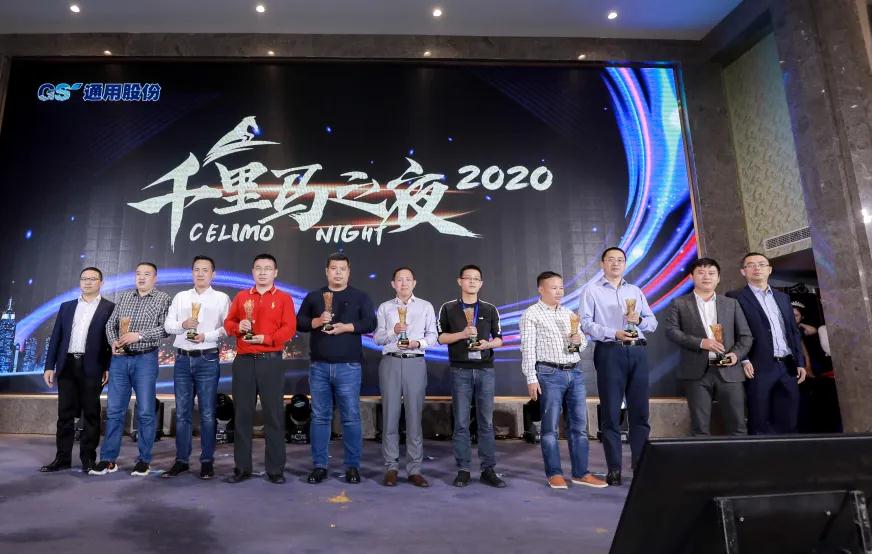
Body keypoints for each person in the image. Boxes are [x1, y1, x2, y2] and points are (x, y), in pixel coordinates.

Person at [519, 271, 607, 490]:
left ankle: (581, 473)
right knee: (550, 428)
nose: (559, 292)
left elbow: (583, 343)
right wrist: (531, 377)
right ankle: (554, 473)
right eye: (554, 287)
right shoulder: (531, 314)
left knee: (579, 426)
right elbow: (527, 348)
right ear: (541, 289)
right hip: (549, 374)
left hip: (575, 372)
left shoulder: (568, 313)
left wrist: (577, 341)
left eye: (561, 287)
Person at [296, 253, 376, 485]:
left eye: (342, 268)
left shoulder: (360, 296)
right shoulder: (314, 296)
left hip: (349, 366)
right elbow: (300, 322)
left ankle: (352, 467)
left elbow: (371, 323)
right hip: (319, 366)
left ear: (349, 272)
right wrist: (317, 321)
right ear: (327, 271)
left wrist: (347, 327)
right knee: (320, 417)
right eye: (334, 268)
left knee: (350, 417)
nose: (338, 272)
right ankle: (319, 466)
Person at [580, 247, 657, 486]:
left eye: (620, 260)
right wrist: (614, 333)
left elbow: (652, 323)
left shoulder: (635, 290)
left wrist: (639, 320)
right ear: (602, 264)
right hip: (610, 352)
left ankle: (641, 467)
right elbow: (586, 324)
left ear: (625, 264)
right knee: (611, 414)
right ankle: (614, 468)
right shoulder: (591, 290)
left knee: (640, 413)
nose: (616, 263)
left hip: (638, 352)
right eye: (611, 260)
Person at [91, 263, 171, 477]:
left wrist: (139, 336)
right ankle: (108, 459)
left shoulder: (163, 298)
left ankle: (144, 460)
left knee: (145, 411)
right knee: (114, 411)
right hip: (119, 360)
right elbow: (110, 325)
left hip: (145, 359)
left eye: (147, 274)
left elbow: (166, 329)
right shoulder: (125, 297)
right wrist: (113, 342)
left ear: (155, 278)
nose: (141, 277)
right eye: (138, 274)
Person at [223, 253, 296, 484]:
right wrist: (239, 326)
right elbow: (228, 323)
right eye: (258, 268)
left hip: (271, 361)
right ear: (252, 272)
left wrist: (266, 338)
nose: (262, 272)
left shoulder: (284, 298)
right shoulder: (242, 296)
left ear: (276, 272)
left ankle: (275, 470)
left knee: (274, 416)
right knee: (242, 416)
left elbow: (289, 329)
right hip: (244, 361)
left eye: (267, 268)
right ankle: (241, 468)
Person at [664, 258, 753, 436]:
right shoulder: (679, 303)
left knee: (738, 426)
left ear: (718, 278)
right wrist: (700, 342)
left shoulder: (731, 303)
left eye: (711, 273)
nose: (706, 277)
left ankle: (740, 455)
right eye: (701, 273)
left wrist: (736, 355)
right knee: (700, 428)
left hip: (729, 371)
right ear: (691, 277)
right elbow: (671, 331)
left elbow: (745, 336)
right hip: (696, 372)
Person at [437, 264, 506, 488]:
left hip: (485, 369)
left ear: (481, 283)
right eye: (468, 278)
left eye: (476, 279)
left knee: (486, 421)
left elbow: (499, 339)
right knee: (461, 422)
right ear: (460, 281)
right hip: (460, 370)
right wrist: (462, 334)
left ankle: (488, 469)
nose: (472, 282)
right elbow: (441, 338)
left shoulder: (490, 309)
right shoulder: (448, 308)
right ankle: (463, 469)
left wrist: (488, 344)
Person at [40, 267, 114, 474]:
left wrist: (107, 367)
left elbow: (111, 341)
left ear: (101, 283)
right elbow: (56, 338)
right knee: (64, 414)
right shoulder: (67, 307)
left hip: (93, 366)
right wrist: (49, 366)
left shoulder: (110, 308)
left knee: (91, 414)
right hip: (67, 365)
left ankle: (88, 459)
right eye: (84, 279)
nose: (87, 282)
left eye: (92, 279)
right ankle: (62, 458)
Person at [162, 256, 230, 480]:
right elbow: (168, 326)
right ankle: (181, 460)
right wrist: (183, 325)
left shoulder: (221, 298)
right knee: (183, 413)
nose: (200, 273)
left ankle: (207, 462)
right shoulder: (181, 297)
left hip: (207, 359)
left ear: (213, 274)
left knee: (208, 413)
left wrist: (205, 336)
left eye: (205, 270)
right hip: (182, 359)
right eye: (196, 270)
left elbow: (227, 328)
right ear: (192, 273)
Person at [726, 252, 807, 434]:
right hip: (758, 366)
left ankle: (787, 451)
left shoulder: (783, 297)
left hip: (787, 366)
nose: (757, 268)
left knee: (789, 420)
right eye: (751, 265)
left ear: (769, 269)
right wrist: (744, 359)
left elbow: (793, 332)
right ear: (743, 271)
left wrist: (800, 362)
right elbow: (731, 332)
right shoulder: (734, 297)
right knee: (759, 420)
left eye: (762, 264)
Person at [373, 267, 438, 487]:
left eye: (408, 279)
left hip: (415, 361)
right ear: (393, 284)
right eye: (399, 280)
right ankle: (391, 467)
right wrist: (393, 331)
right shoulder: (385, 307)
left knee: (414, 417)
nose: (404, 283)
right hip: (390, 361)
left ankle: (414, 469)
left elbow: (433, 336)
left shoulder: (425, 306)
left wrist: (417, 343)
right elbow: (377, 338)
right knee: (390, 416)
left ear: (414, 283)